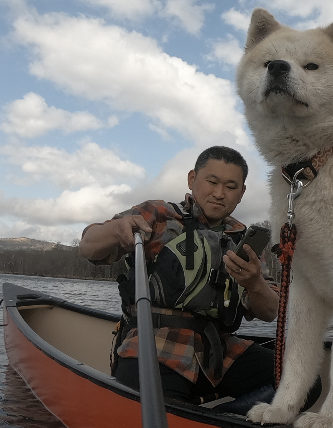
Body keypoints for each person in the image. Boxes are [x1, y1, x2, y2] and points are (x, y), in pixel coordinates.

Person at [79, 146, 282, 408]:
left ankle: (220, 419)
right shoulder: (158, 214)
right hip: (154, 345)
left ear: (242, 193)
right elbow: (88, 247)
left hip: (218, 352)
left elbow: (270, 311)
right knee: (155, 411)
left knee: (299, 381)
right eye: (212, 182)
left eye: (231, 186)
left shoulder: (245, 240)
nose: (219, 193)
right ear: (192, 179)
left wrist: (254, 284)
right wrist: (115, 229)